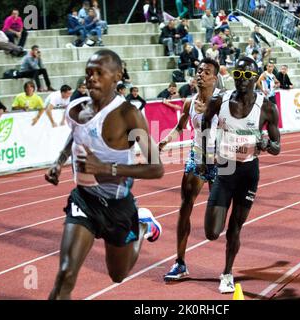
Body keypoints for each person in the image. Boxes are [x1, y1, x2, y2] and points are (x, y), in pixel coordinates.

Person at [46, 49, 164, 300]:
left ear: (117, 76)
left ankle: (143, 226)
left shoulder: (128, 115)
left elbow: (157, 168)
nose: (92, 78)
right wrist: (59, 161)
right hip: (84, 200)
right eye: (89, 73)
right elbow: (76, 134)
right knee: (65, 274)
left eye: (100, 73)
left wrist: (105, 168)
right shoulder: (76, 108)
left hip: (118, 206)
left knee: (117, 275)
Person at [202, 57, 281, 293]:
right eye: (239, 74)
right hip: (225, 170)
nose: (242, 80)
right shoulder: (220, 100)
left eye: (248, 75)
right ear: (234, 75)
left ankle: (227, 273)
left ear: (256, 77)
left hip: (248, 172)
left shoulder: (266, 107)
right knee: (212, 232)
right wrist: (208, 156)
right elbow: (206, 122)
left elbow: (278, 147)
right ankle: (225, 265)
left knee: (235, 228)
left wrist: (267, 144)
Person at [160, 58, 220, 281]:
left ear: (215, 78)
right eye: (199, 71)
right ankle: (180, 262)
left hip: (220, 160)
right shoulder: (189, 102)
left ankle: (225, 268)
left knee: (215, 223)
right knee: (185, 206)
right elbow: (180, 127)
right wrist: (165, 141)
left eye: (206, 72)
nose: (201, 74)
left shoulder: (222, 102)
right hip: (197, 157)